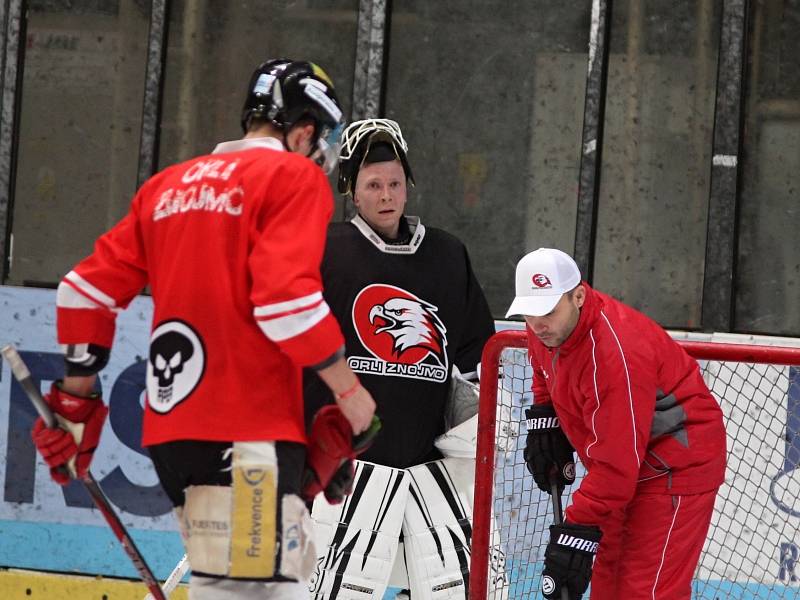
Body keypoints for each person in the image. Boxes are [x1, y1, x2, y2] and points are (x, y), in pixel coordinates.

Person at [28, 58, 376, 600]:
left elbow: (82, 291)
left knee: (246, 587)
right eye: (319, 143)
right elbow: (284, 301)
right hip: (249, 434)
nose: (318, 157)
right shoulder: (293, 175)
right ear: (304, 131)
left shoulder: (166, 187)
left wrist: (75, 402)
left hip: (175, 437)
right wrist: (349, 392)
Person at [303, 119, 498, 600]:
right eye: (373, 185)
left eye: (394, 183)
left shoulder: (448, 255)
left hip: (428, 467)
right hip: (345, 466)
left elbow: (478, 354)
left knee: (460, 590)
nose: (386, 195)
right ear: (351, 191)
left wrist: (475, 422)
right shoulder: (323, 251)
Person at [506, 248, 727, 599]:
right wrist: (545, 415)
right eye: (528, 314)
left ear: (578, 296)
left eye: (547, 311)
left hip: (674, 468)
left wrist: (574, 527)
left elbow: (616, 468)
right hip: (621, 466)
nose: (536, 325)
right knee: (608, 584)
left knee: (645, 591)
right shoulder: (546, 329)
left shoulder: (616, 355)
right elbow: (542, 368)